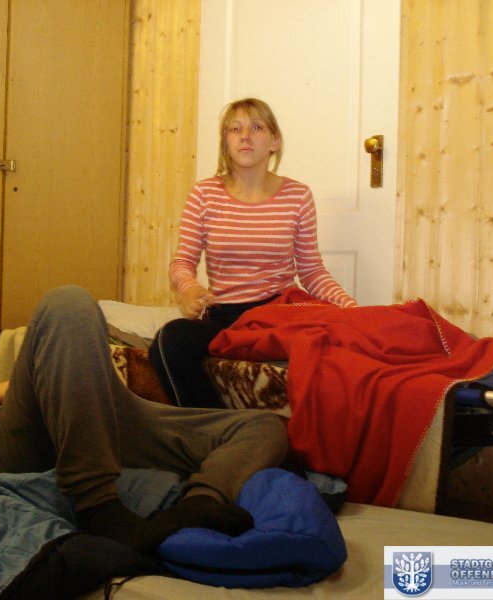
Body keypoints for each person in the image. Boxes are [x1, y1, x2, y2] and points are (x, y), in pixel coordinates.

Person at [0, 285, 288, 555]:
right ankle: (99, 507)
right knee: (67, 301)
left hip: (86, 416)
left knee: (262, 426)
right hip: (20, 446)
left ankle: (200, 503)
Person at [149, 97, 358, 409]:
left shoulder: (297, 195)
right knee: (169, 341)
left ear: (274, 141)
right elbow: (182, 262)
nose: (245, 136)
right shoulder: (204, 194)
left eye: (257, 127)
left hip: (280, 312)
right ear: (225, 142)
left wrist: (349, 308)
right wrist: (189, 288)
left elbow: (312, 271)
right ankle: (216, 426)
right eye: (235, 129)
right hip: (226, 317)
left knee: (335, 343)